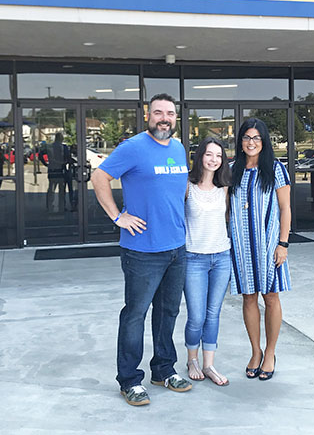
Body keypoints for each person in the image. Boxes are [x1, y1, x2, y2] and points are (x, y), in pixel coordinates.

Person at [91, 93, 192, 407]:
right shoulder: (132, 147)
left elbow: (181, 190)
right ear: (148, 115)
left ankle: (163, 370)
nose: (164, 118)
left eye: (170, 113)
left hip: (177, 247)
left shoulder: (178, 148)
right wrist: (117, 216)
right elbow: (99, 176)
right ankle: (129, 381)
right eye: (159, 112)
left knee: (168, 312)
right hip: (142, 251)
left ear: (176, 118)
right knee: (135, 315)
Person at [229, 118, 291, 381]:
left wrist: (283, 243)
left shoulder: (276, 169)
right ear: (240, 141)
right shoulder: (231, 170)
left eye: (256, 138)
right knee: (249, 297)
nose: (251, 142)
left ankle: (270, 352)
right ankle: (255, 351)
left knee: (271, 297)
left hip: (269, 245)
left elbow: (286, 208)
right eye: (246, 137)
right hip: (241, 246)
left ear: (263, 141)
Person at [184, 136, 232, 386]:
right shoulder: (187, 186)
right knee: (196, 315)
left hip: (222, 257)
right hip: (193, 259)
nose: (214, 159)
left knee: (213, 314)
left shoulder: (224, 188)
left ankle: (209, 365)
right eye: (209, 154)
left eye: (218, 155)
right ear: (200, 156)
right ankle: (191, 359)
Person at [40, 132, 70, 213]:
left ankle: (49, 205)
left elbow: (40, 155)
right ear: (61, 138)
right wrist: (64, 163)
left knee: (51, 189)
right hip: (61, 170)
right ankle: (62, 206)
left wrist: (46, 164)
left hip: (52, 169)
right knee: (62, 190)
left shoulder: (49, 146)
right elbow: (68, 158)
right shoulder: (64, 147)